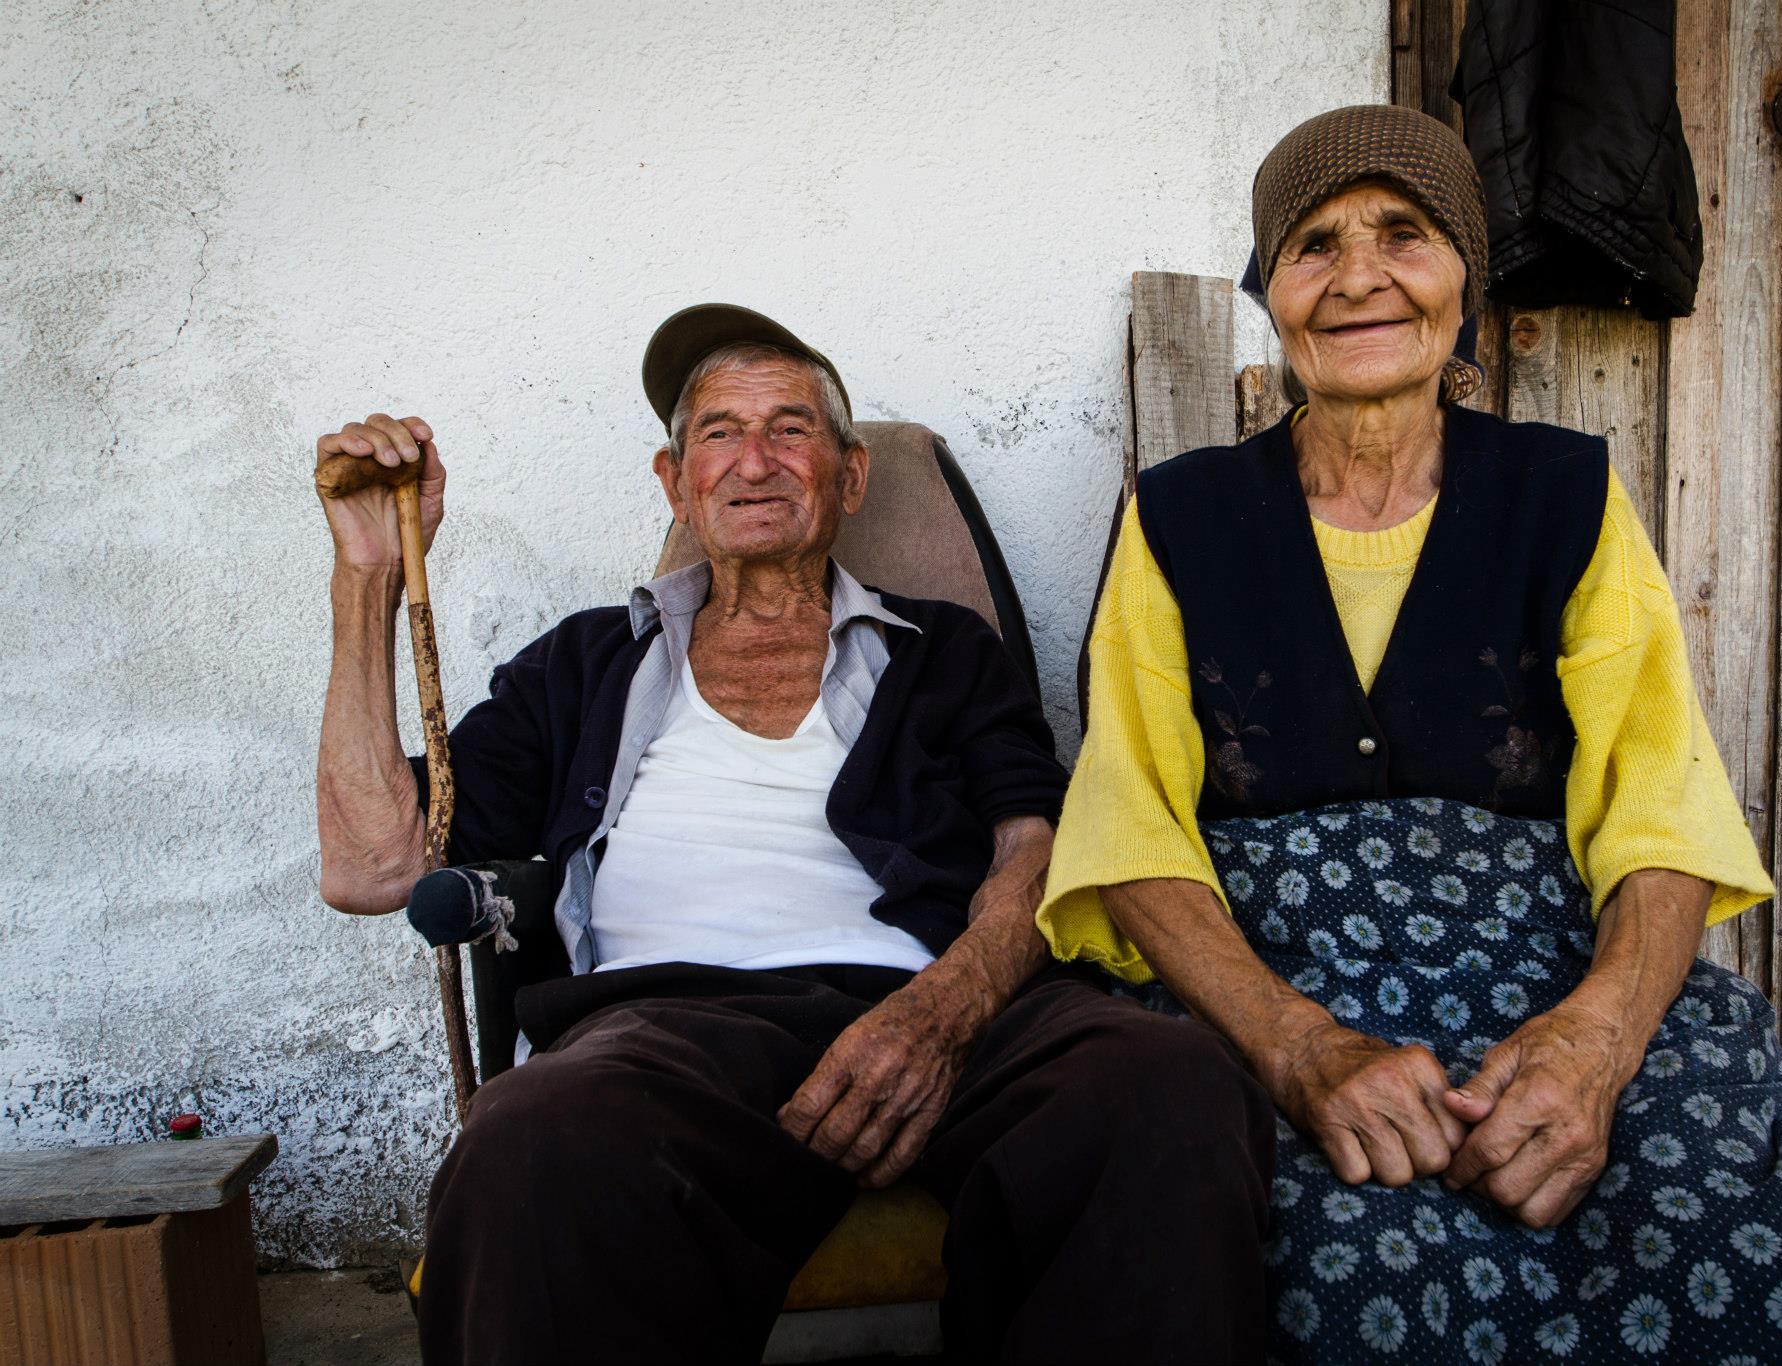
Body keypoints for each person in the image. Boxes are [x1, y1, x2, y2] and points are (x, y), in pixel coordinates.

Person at [1038, 106, 1782, 1365]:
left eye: (1402, 234)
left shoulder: (1564, 495)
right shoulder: (1178, 518)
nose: (1357, 276)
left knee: (1729, 1232)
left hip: (1552, 975)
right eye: (1312, 244)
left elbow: (1659, 806)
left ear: (1463, 280)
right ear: (1271, 292)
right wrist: (1297, 1048)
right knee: (1332, 1265)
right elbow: (1129, 826)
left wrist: (1592, 1043)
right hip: (1274, 979)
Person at [314, 304, 1272, 1364]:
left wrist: (942, 1014)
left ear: (850, 477)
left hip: (931, 1003)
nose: (754, 460)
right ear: (675, 483)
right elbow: (371, 867)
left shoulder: (943, 650)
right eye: (718, 432)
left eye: (790, 428)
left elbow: (1035, 846)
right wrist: (368, 576)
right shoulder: (583, 663)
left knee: (1168, 1085)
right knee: (530, 1145)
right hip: (664, 1029)